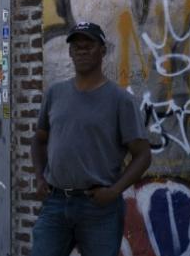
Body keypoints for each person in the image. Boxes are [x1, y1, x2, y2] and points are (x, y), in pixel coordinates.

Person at [31, 22, 151, 256]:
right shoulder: (55, 94)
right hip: (55, 204)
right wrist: (39, 177)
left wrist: (115, 191)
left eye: (89, 45)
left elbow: (143, 155)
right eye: (77, 47)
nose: (82, 51)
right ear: (70, 53)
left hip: (99, 208)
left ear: (103, 51)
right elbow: (39, 140)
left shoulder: (119, 100)